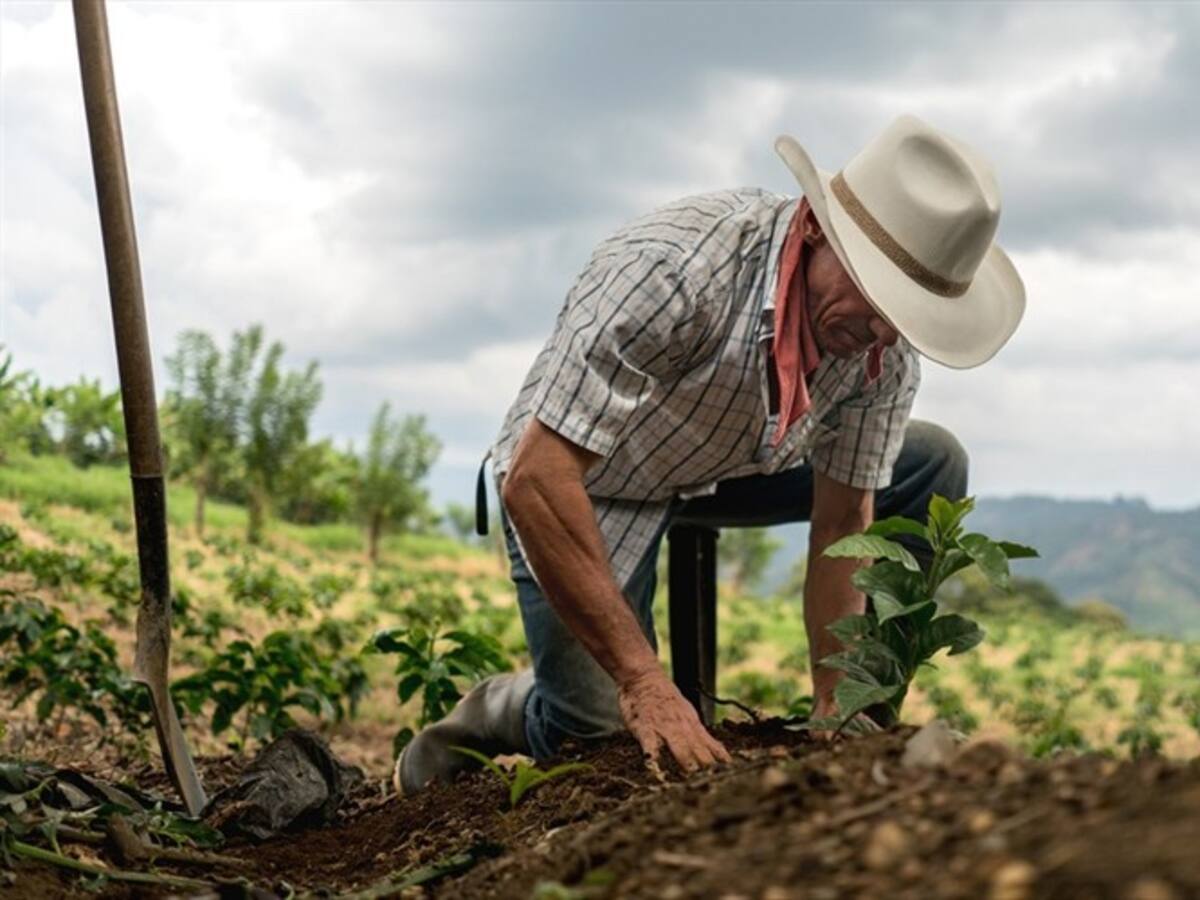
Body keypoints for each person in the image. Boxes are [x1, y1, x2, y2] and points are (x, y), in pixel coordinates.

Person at [394, 114, 1026, 793]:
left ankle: (865, 721)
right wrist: (643, 681)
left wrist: (835, 709)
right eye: (876, 298)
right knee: (598, 735)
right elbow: (538, 478)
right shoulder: (673, 272)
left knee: (932, 461)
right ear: (815, 228)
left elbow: (845, 521)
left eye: (903, 316)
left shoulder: (880, 349)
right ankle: (499, 708)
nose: (881, 333)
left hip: (732, 463)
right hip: (591, 477)